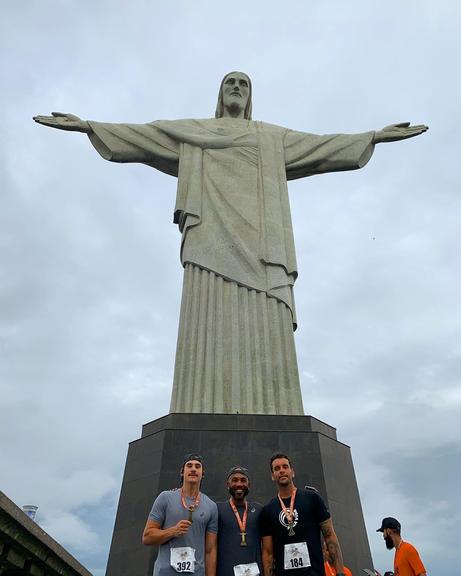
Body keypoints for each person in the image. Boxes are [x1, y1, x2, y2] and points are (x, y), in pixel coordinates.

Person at [33, 73, 428, 416]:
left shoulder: (270, 137)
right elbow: (145, 135)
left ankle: (276, 405)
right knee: (205, 313)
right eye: (230, 83)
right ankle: (198, 401)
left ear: (250, 96)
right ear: (220, 94)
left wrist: (374, 136)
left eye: (243, 84)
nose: (236, 88)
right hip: (209, 237)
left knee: (266, 317)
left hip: (261, 243)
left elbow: (320, 146)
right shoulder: (194, 131)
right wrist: (88, 125)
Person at [260, 452, 346, 576]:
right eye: (277, 469)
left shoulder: (312, 499)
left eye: (285, 467)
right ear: (272, 476)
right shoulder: (268, 510)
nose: (282, 471)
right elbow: (268, 553)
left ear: (292, 472)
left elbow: (330, 536)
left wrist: (340, 573)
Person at [142, 453, 218, 576]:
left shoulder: (211, 506)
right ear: (182, 472)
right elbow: (147, 537)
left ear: (202, 474)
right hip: (165, 572)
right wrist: (172, 531)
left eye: (198, 466)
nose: (193, 469)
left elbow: (210, 550)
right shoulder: (165, 498)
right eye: (189, 466)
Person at [216, 466, 263, 576]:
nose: (239, 484)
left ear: (249, 485)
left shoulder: (259, 510)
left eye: (243, 480)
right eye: (234, 480)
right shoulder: (217, 509)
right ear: (228, 485)